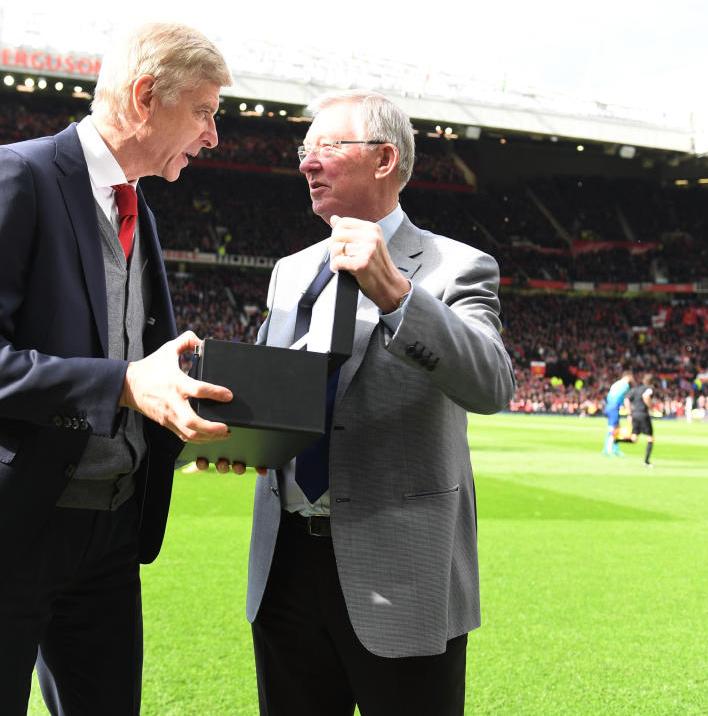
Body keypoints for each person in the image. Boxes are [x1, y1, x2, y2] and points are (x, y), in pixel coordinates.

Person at [0, 23, 233, 715]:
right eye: (204, 111)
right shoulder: (15, 175)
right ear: (145, 96)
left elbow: (134, 360)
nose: (213, 135)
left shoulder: (137, 204)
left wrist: (203, 414)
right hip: (4, 531)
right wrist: (121, 383)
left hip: (109, 532)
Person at [203, 90, 515, 715]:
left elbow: (492, 383)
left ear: (382, 160)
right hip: (285, 566)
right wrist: (238, 433)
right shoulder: (291, 271)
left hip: (401, 572)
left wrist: (398, 294)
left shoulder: (457, 266)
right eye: (303, 150)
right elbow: (274, 387)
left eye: (324, 147)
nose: (306, 164)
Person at [602, 370, 634, 457]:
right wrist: (624, 407)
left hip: (610, 405)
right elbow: (624, 398)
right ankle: (608, 450)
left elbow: (610, 395)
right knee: (613, 429)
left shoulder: (616, 383)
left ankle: (614, 449)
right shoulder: (625, 385)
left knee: (616, 428)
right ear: (628, 376)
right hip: (614, 406)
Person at [629, 372, 656, 467]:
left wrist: (629, 413)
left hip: (635, 414)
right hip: (643, 414)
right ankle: (646, 461)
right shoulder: (649, 389)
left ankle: (616, 441)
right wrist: (651, 408)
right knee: (650, 438)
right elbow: (646, 396)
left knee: (634, 438)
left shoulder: (636, 389)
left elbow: (627, 399)